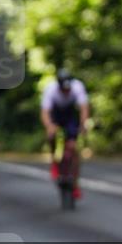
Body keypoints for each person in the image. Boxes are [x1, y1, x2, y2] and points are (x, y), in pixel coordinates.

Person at [41, 68, 90, 197]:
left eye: (68, 88)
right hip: (56, 114)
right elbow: (45, 112)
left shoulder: (78, 86)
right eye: (63, 89)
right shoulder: (51, 89)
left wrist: (83, 124)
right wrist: (49, 126)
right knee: (51, 136)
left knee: (74, 148)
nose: (66, 91)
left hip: (69, 115)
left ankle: (75, 183)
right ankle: (54, 161)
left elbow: (84, 108)